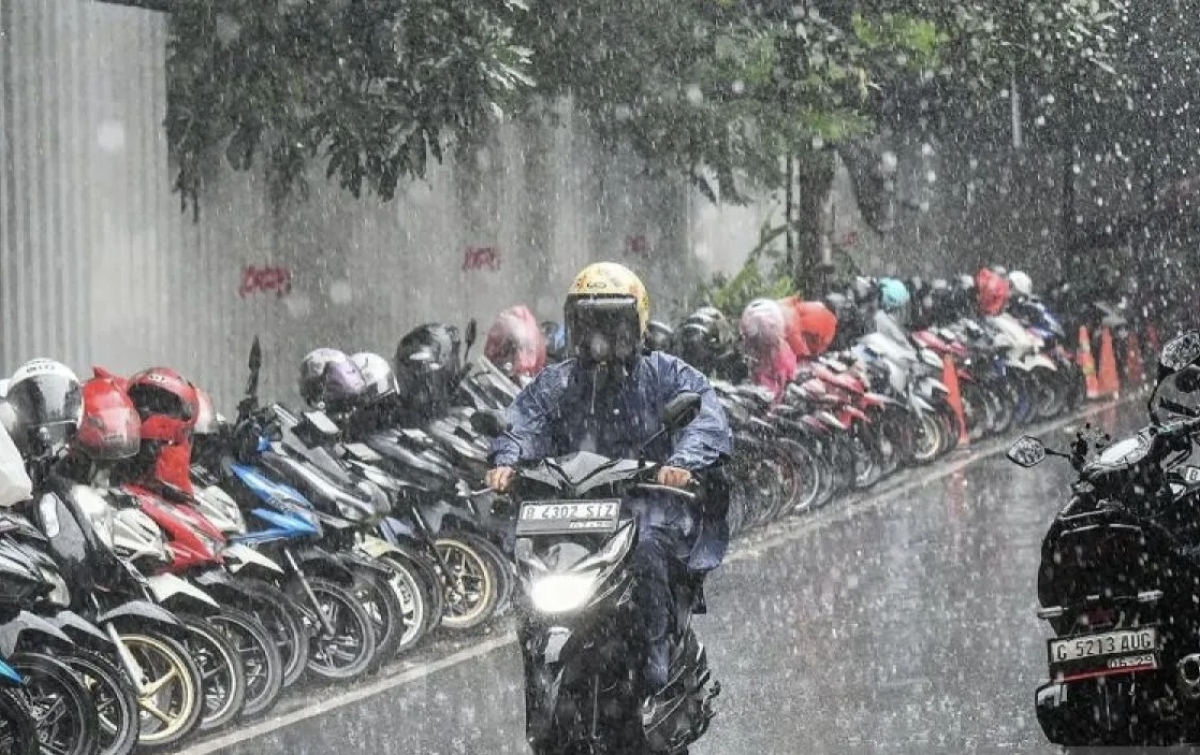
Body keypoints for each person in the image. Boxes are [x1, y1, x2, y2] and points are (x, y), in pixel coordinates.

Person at [484, 262, 733, 717]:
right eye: (590, 322)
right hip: (570, 516)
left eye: (613, 322)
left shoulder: (663, 374)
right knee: (528, 580)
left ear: (635, 323)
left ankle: (654, 668)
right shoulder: (557, 383)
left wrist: (680, 464)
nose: (600, 335)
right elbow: (523, 423)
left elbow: (706, 419)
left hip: (645, 510)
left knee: (648, 551)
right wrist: (506, 462)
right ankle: (539, 688)